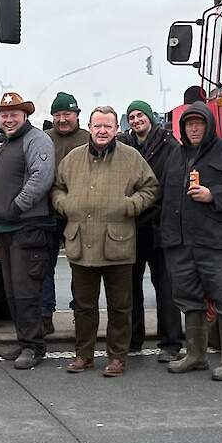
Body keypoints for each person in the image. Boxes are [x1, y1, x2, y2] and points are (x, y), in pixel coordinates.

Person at [52, 106, 158, 377]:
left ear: (116, 130)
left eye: (108, 127)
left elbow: (150, 188)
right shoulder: (73, 158)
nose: (102, 131)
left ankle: (117, 357)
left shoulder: (131, 157)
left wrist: (130, 205)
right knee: (84, 306)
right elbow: (57, 187)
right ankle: (83, 355)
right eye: (97, 126)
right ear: (89, 127)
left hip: (117, 244)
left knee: (120, 306)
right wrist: (65, 204)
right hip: (81, 242)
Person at [160, 101, 222, 381]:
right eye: (189, 124)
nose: (193, 128)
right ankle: (195, 355)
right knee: (189, 300)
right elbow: (164, 198)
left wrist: (213, 195)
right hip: (180, 244)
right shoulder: (175, 157)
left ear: (209, 125)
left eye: (199, 123)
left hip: (217, 243)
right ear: (182, 127)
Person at [0, 92, 55, 370]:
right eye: (4, 115)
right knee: (13, 291)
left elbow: (42, 177)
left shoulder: (37, 140)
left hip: (27, 228)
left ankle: (34, 347)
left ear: (25, 116)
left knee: (27, 290)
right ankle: (24, 340)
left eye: (14, 114)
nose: (8, 119)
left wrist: (16, 207)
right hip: (7, 228)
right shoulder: (9, 142)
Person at [117, 100, 183, 361]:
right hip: (132, 227)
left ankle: (171, 342)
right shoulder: (124, 146)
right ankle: (134, 339)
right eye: (131, 116)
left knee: (165, 287)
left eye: (140, 115)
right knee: (130, 286)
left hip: (160, 226)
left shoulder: (170, 146)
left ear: (149, 117)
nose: (136, 120)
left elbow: (172, 184)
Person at [41, 92, 89, 335]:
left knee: (80, 267)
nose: (62, 119)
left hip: (79, 215)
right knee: (44, 266)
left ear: (77, 115)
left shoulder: (89, 139)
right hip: (48, 213)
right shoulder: (42, 139)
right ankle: (45, 315)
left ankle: (79, 315)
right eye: (57, 114)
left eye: (67, 114)